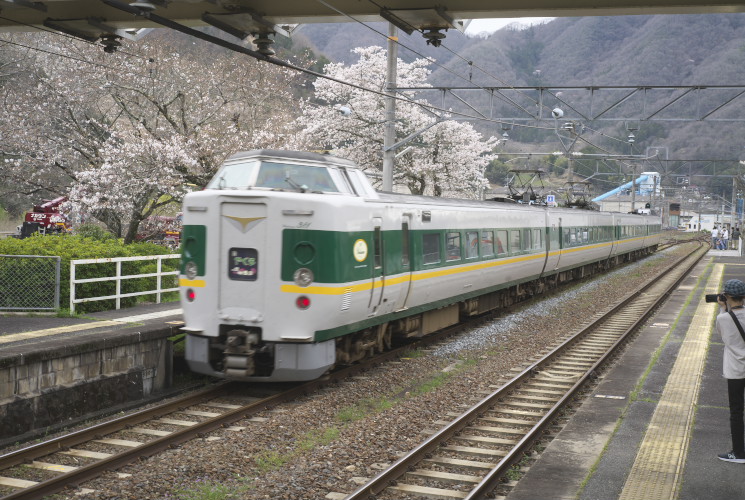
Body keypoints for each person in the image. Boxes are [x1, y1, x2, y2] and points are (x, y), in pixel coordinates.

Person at [716, 279, 745, 463]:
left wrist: (722, 308)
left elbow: (724, 337)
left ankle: (739, 453)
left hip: (735, 371)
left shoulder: (723, 318)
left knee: (736, 411)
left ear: (726, 297)